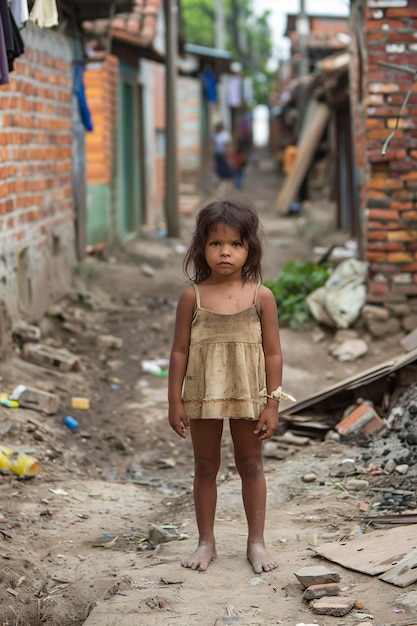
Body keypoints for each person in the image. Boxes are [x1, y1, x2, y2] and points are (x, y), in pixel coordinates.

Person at [168, 199, 290, 574]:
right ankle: (206, 542)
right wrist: (175, 402)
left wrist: (272, 402)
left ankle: (256, 542)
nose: (225, 252)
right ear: (201, 248)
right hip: (203, 395)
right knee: (205, 465)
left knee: (251, 464)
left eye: (235, 244)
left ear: (249, 248)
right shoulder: (193, 296)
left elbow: (272, 354)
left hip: (249, 394)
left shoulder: (261, 296)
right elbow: (178, 352)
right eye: (216, 244)